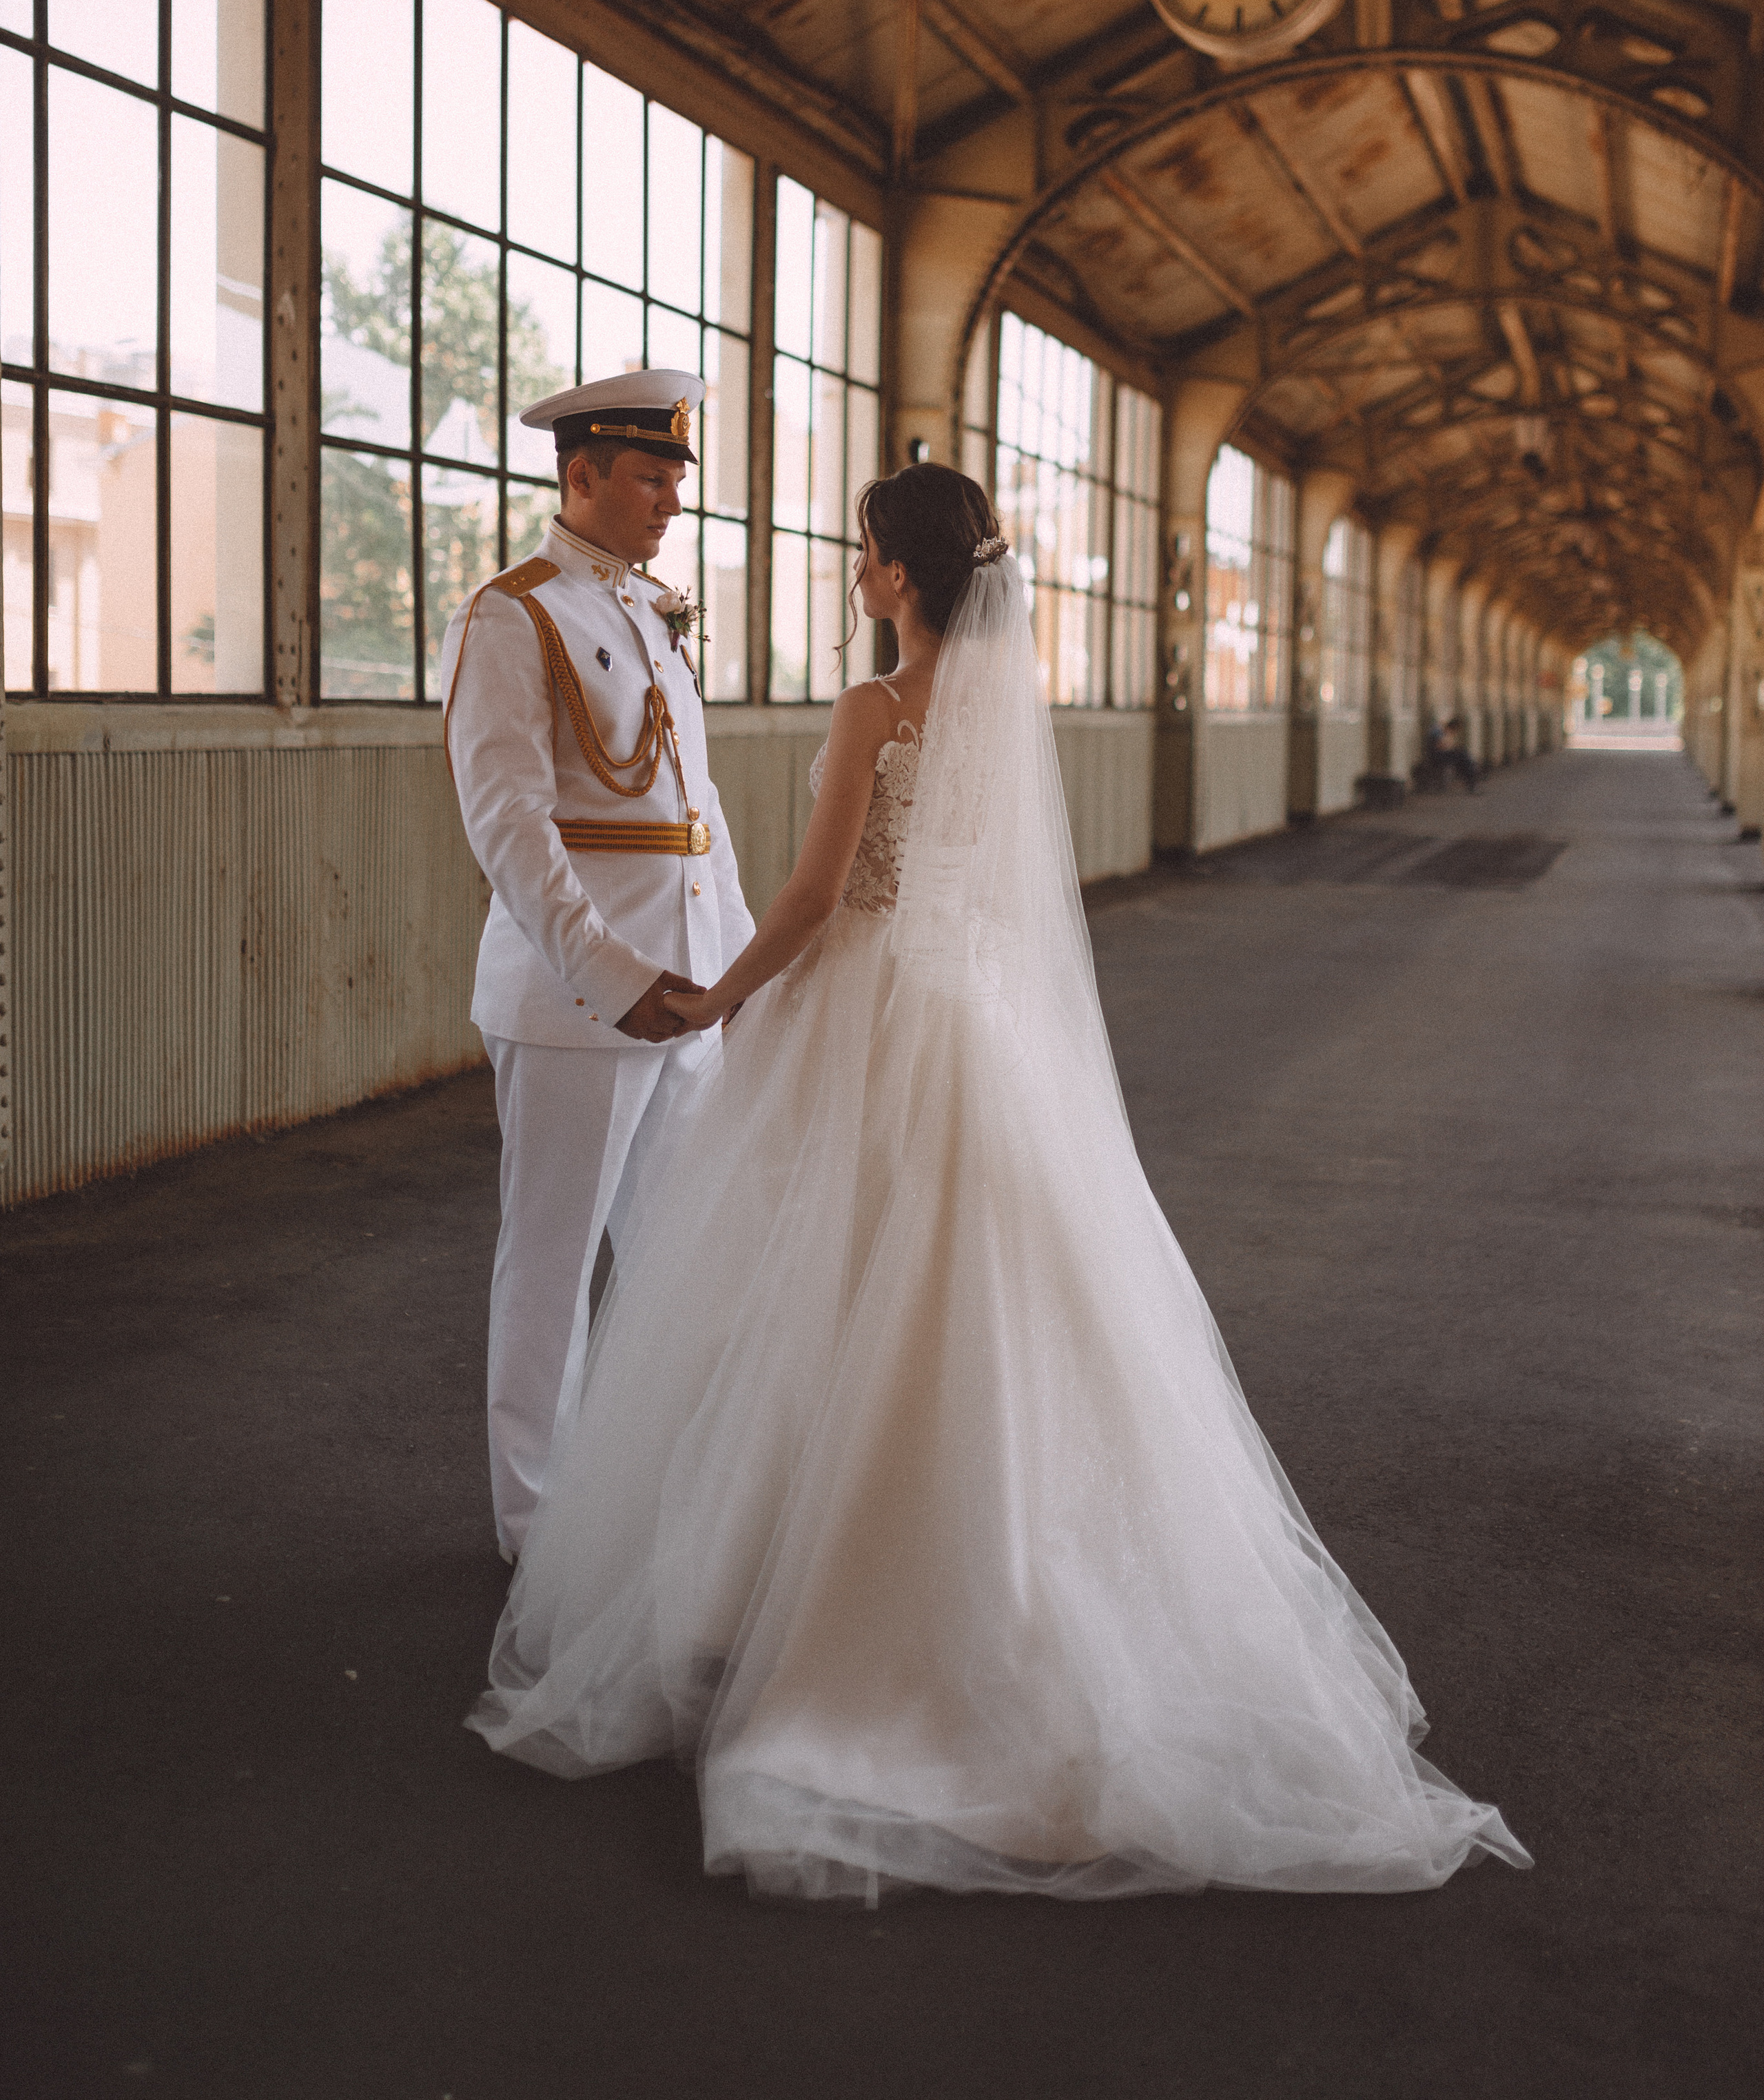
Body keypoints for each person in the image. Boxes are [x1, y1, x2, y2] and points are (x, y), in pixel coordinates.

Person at [467, 464, 1529, 1901]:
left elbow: (813, 895)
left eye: (858, 552)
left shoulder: (875, 709)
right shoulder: (995, 710)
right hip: (976, 1026)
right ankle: (1001, 1591)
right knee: (992, 1306)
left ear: (900, 575)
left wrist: (722, 996)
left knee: (827, 1295)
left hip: (864, 1021)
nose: (852, 572)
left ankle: (804, 1598)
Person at [439, 369, 753, 1564]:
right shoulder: (513, 616)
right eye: (653, 472)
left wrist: (733, 977)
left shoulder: (654, 614)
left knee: (683, 1260)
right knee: (553, 1263)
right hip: (580, 1003)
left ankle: (652, 1500)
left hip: (685, 998)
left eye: (677, 472)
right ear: (582, 476)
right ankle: (537, 1526)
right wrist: (612, 975)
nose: (675, 493)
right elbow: (509, 825)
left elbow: (696, 817)